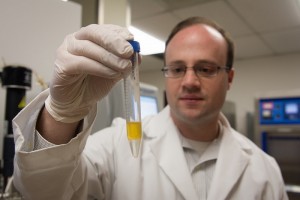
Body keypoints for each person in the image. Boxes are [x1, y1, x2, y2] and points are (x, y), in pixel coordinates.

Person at [12, 17, 288, 200]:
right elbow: (40, 192)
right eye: (177, 69)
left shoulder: (264, 170)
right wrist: (62, 114)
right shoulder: (115, 144)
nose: (190, 81)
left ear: (228, 78)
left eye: (205, 69)